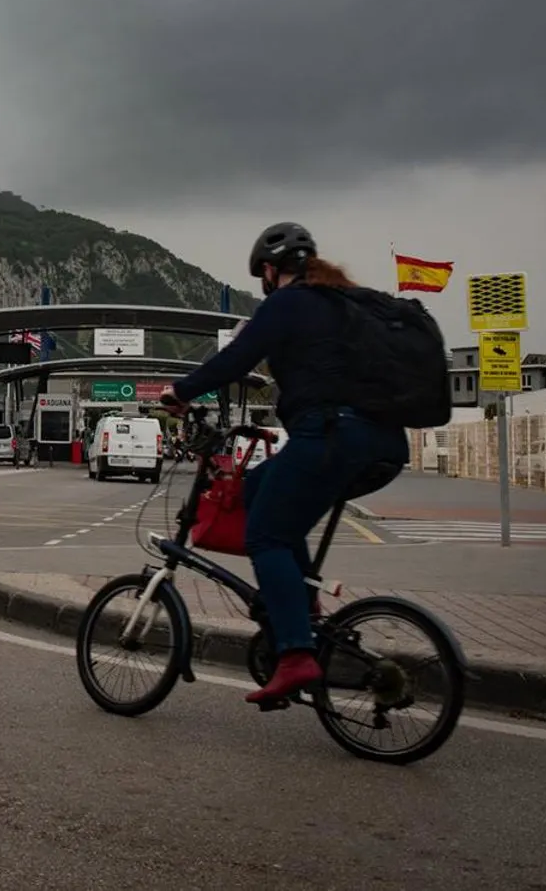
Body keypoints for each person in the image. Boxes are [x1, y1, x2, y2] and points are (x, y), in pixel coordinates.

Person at [159, 222, 408, 706]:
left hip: (330, 435)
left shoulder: (289, 303)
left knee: (265, 536)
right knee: (258, 489)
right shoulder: (345, 304)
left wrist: (181, 391)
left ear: (271, 270)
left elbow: (236, 359)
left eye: (263, 277)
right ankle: (303, 604)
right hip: (383, 443)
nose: (264, 284)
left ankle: (295, 653)